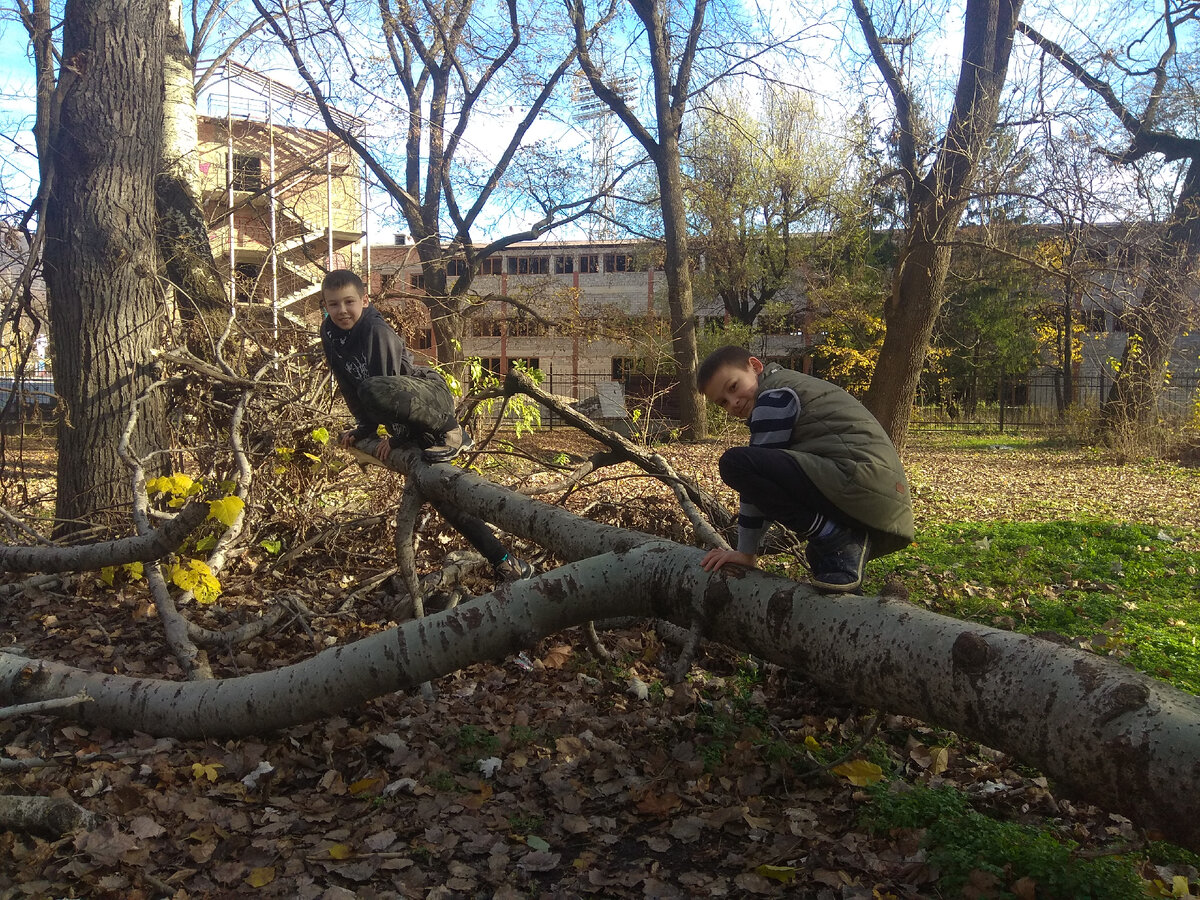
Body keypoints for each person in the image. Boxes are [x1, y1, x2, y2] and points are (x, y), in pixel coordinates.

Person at [320, 269, 532, 581]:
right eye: (333, 304)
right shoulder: (330, 333)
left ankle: (452, 431)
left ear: (365, 300)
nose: (341, 311)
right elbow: (347, 383)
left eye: (349, 302)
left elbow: (387, 385)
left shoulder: (374, 330)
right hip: (401, 414)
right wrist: (364, 429)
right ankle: (507, 562)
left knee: (374, 388)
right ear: (325, 305)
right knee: (442, 496)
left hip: (428, 401)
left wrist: (395, 439)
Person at [696, 345, 914, 593]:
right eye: (723, 402)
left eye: (733, 387)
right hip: (880, 499)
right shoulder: (787, 386)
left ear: (755, 367)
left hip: (860, 484)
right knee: (822, 561)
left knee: (735, 464)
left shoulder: (774, 396)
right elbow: (773, 481)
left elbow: (755, 485)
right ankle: (849, 598)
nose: (733, 403)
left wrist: (746, 552)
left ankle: (837, 537)